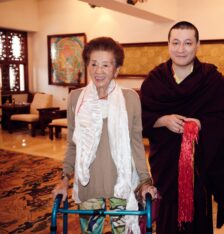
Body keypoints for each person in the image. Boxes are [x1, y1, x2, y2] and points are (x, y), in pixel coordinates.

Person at [140, 21, 224, 234]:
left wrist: (202, 123)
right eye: (175, 42)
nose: (181, 49)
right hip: (166, 162)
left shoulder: (210, 78)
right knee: (168, 208)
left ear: (197, 45)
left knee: (197, 209)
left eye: (187, 43)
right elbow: (138, 116)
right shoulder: (155, 80)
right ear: (168, 44)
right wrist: (162, 120)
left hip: (200, 162)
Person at [52, 37, 157, 234]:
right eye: (94, 64)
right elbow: (73, 144)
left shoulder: (130, 98)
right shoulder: (76, 98)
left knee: (123, 230)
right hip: (88, 182)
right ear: (87, 66)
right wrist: (64, 178)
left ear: (116, 69)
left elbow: (136, 144)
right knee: (91, 232)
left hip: (122, 182)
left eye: (106, 65)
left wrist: (145, 181)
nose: (99, 70)